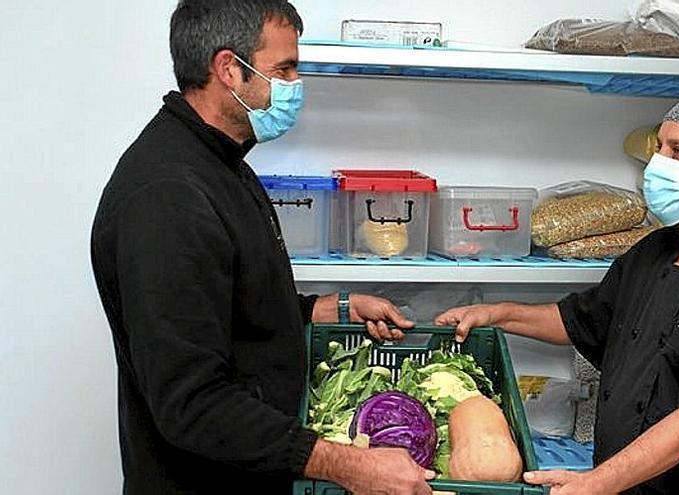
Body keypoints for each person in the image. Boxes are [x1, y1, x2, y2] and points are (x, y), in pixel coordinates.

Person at [91, 1, 432, 494]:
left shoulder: (223, 163)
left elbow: (232, 308)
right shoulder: (168, 197)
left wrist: (330, 308)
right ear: (229, 69)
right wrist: (350, 465)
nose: (296, 86)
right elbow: (192, 404)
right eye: (284, 69)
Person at [436, 92, 679, 495]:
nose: (659, 164)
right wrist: (496, 314)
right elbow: (581, 321)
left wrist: (596, 484)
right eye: (659, 148)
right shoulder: (654, 250)